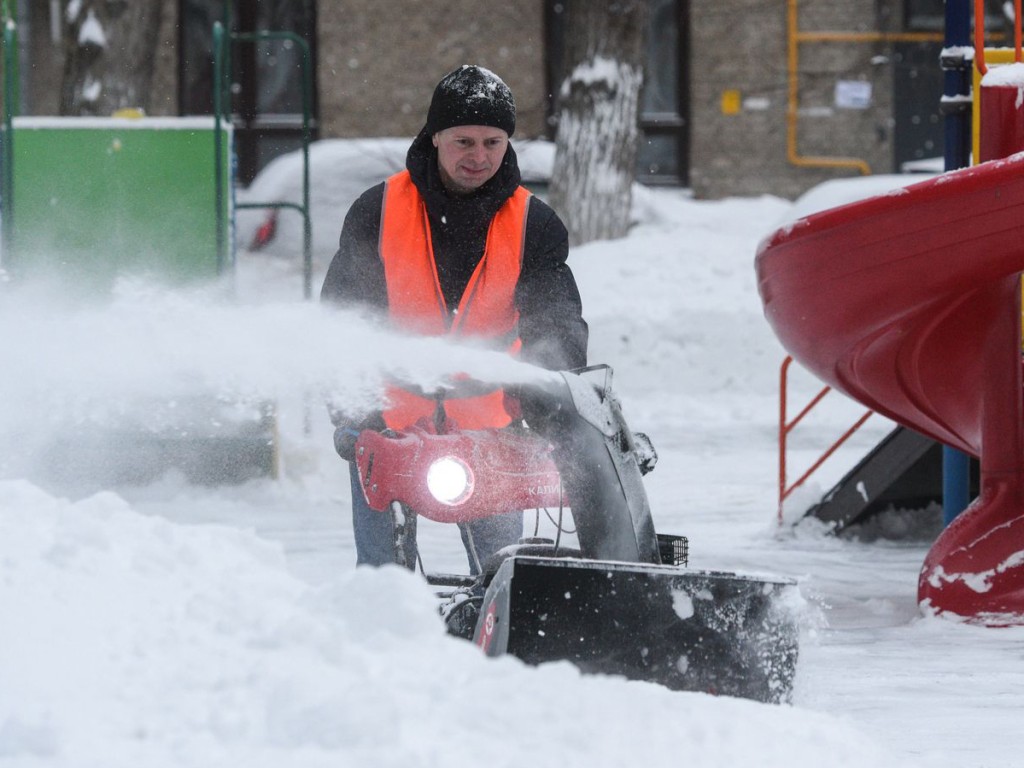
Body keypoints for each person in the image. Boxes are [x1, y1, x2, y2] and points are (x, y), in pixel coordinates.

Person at [321, 64, 588, 571]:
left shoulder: (535, 224)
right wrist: (356, 418)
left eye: (493, 142)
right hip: (388, 429)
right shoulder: (377, 211)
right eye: (464, 141)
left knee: (505, 578)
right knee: (382, 581)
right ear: (436, 136)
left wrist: (553, 400)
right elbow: (343, 321)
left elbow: (556, 322)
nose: (479, 157)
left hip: (490, 435)